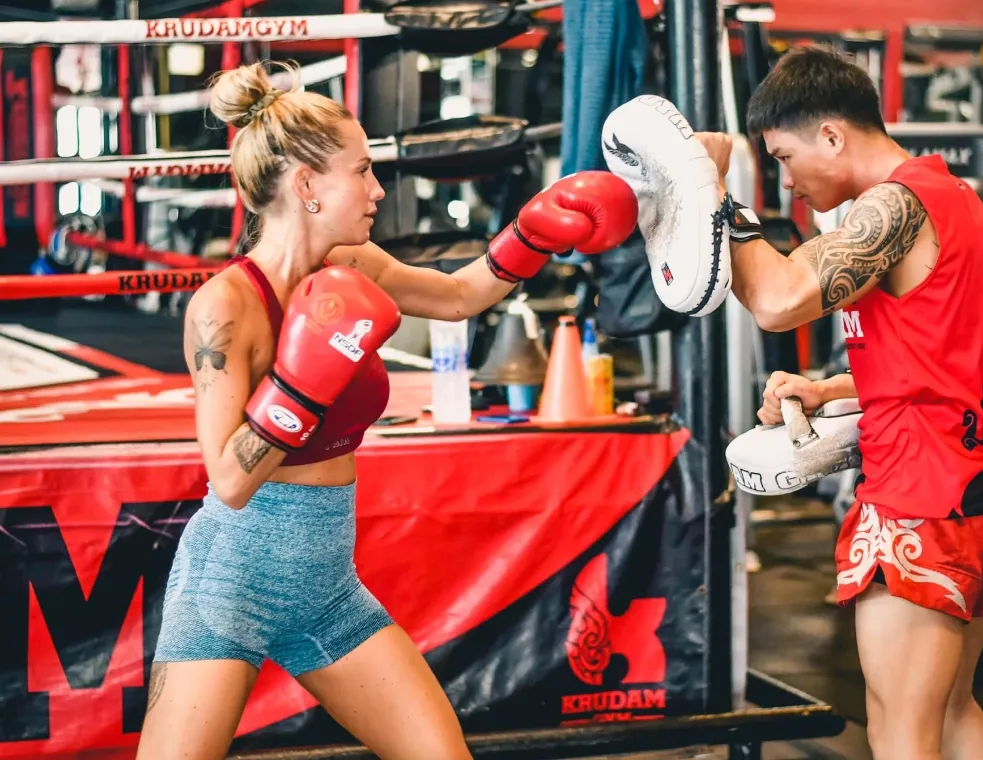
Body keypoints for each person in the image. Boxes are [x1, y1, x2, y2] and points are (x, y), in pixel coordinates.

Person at [139, 61, 636, 760]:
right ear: (307, 185)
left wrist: (532, 237)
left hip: (326, 586)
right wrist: (301, 384)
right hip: (230, 582)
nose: (377, 188)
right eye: (362, 170)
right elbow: (228, 479)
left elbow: (460, 295)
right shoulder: (226, 306)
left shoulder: (357, 265)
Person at [698, 47, 983, 760]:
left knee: (901, 733)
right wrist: (828, 388)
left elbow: (780, 302)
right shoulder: (952, 198)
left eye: (786, 158)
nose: (788, 181)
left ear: (832, 136)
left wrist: (713, 193)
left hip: (924, 500)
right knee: (950, 715)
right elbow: (947, 358)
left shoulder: (896, 205)